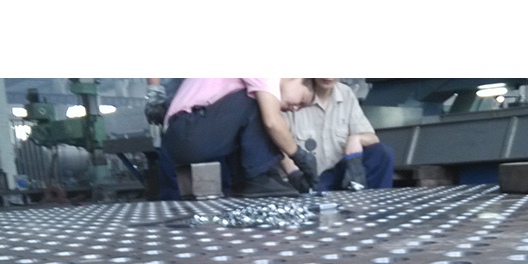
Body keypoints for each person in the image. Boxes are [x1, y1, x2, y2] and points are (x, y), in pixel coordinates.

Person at [152, 78, 317, 198]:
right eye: (301, 101)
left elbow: (270, 131)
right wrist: (300, 156)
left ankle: (251, 181)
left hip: (185, 136)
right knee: (259, 104)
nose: (295, 109)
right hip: (186, 131)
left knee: (260, 109)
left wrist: (294, 174)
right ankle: (257, 179)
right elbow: (272, 123)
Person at [283, 78, 394, 192]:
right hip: (309, 179)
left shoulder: (346, 93)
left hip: (340, 176)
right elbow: (279, 143)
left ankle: (378, 199)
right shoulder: (295, 91)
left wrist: (356, 139)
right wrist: (295, 175)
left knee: (382, 152)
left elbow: (372, 137)